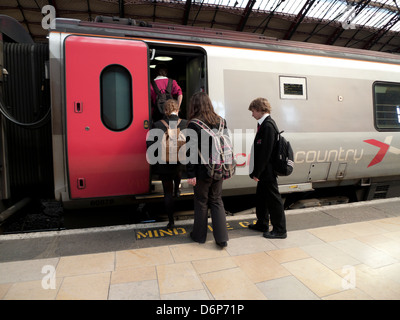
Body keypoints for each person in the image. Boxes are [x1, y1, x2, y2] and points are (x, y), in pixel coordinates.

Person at [186, 92, 229, 248]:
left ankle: (199, 236)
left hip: (202, 170)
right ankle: (222, 238)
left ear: (194, 106)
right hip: (219, 168)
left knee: (201, 202)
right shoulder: (221, 121)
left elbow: (190, 152)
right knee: (217, 200)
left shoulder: (194, 124)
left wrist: (190, 174)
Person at [248, 97, 287, 239]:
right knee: (262, 198)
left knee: (273, 199)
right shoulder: (264, 124)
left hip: (268, 170)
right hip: (264, 170)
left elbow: (266, 152)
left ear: (259, 110)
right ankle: (262, 223)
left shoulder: (268, 126)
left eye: (253, 111)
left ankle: (280, 230)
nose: (252, 114)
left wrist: (257, 172)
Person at [150, 99, 187, 228]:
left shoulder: (157, 124)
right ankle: (177, 189)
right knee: (178, 171)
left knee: (167, 193)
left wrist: (154, 166)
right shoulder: (186, 124)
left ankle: (171, 221)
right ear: (178, 109)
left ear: (165, 111)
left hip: (163, 163)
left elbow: (151, 146)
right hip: (179, 162)